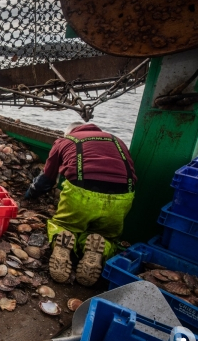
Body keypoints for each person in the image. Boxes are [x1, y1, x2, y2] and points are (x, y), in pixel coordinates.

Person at [24, 122, 136, 286]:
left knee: (63, 225)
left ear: (69, 132)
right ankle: (100, 245)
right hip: (123, 196)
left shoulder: (65, 141)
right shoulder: (117, 140)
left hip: (82, 194)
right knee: (107, 236)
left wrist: (29, 194)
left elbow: (46, 179)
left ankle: (64, 238)